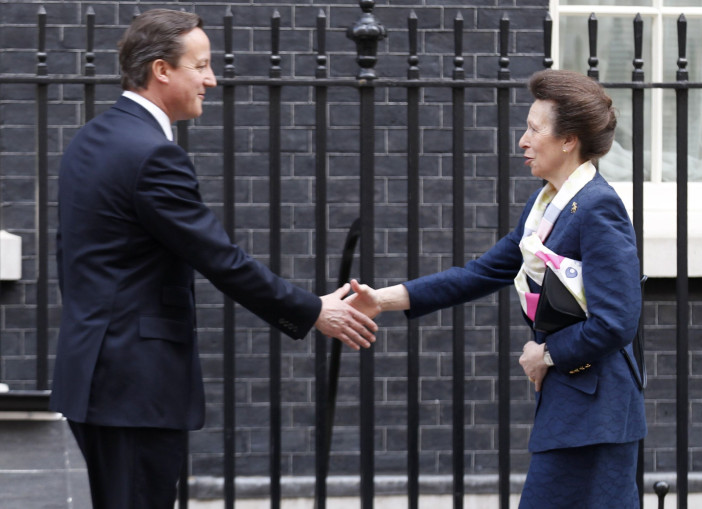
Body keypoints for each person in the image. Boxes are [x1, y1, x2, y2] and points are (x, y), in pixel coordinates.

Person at [50, 9, 377, 509]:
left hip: (93, 371)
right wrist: (312, 310)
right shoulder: (152, 154)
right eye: (200, 66)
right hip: (135, 385)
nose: (212, 79)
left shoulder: (91, 140)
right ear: (162, 70)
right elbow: (219, 257)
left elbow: (70, 258)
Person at [347, 69, 646, 508]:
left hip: (598, 412)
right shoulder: (545, 205)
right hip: (574, 406)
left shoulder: (599, 208)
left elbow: (618, 322)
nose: (522, 141)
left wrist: (545, 354)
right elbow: (480, 272)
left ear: (569, 141)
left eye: (533, 129)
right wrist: (382, 299)